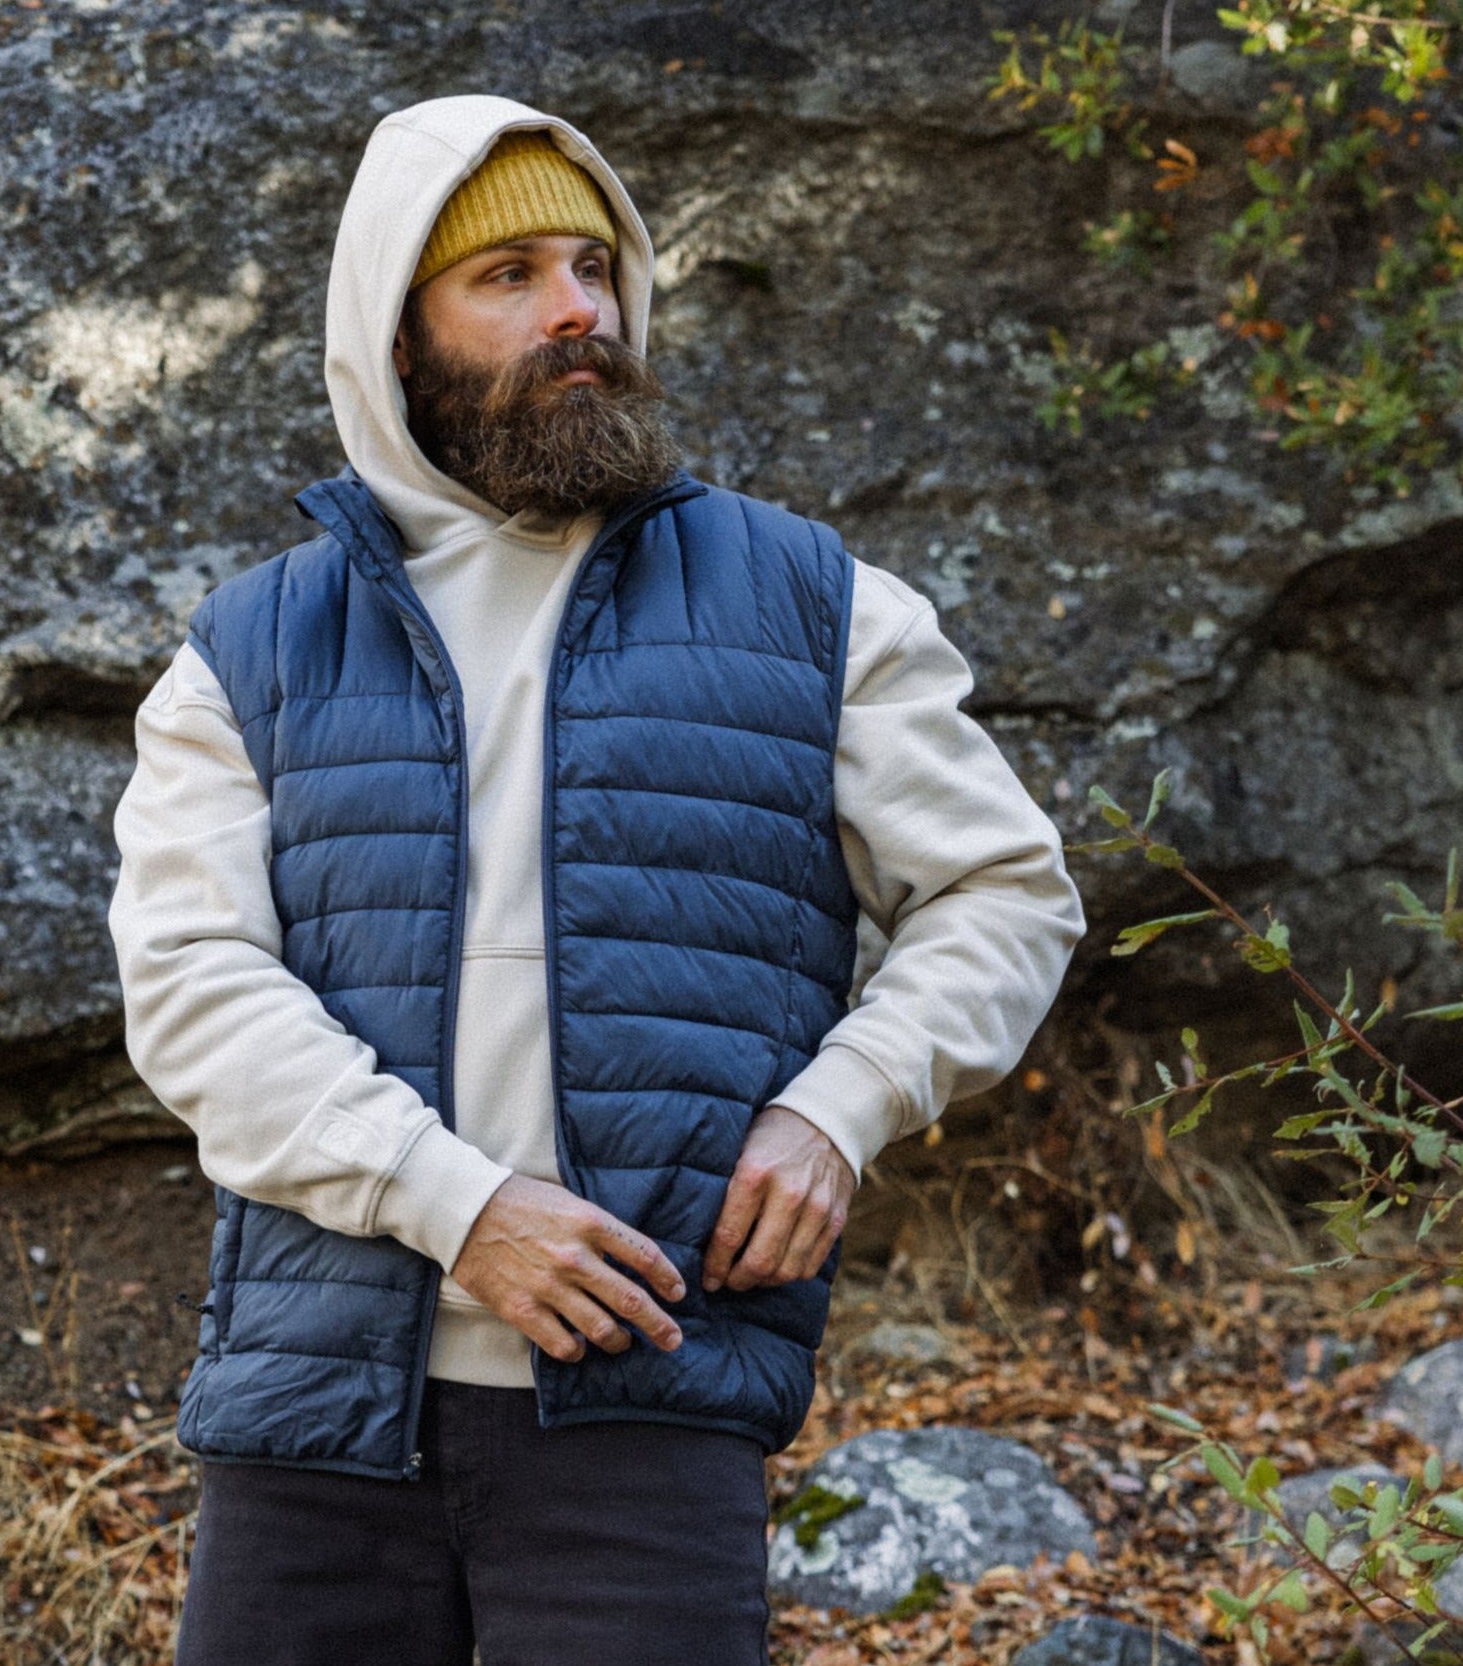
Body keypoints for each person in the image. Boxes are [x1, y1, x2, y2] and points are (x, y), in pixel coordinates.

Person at [108, 92, 1086, 1666]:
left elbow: (1004, 888)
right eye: (508, 278)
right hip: (316, 1429)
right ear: (397, 333)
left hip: (649, 1405)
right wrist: (459, 1206)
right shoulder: (252, 653)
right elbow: (193, 994)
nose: (578, 310)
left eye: (594, 266)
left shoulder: (811, 605)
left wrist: (843, 1102)